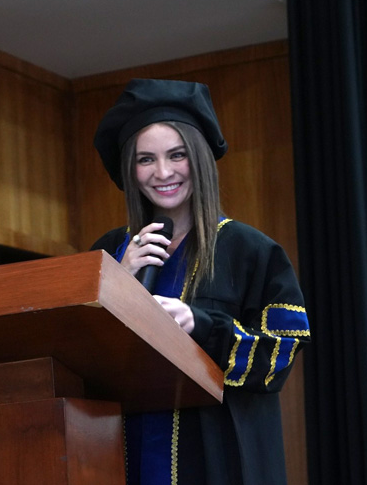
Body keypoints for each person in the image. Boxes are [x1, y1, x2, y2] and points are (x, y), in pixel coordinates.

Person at [91, 78, 310, 485]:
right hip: (120, 456)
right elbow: (78, 356)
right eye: (145, 159)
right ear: (130, 169)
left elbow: (279, 359)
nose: (162, 172)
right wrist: (117, 281)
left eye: (177, 155)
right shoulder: (108, 253)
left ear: (200, 158)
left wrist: (202, 326)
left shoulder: (250, 251)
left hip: (217, 459)